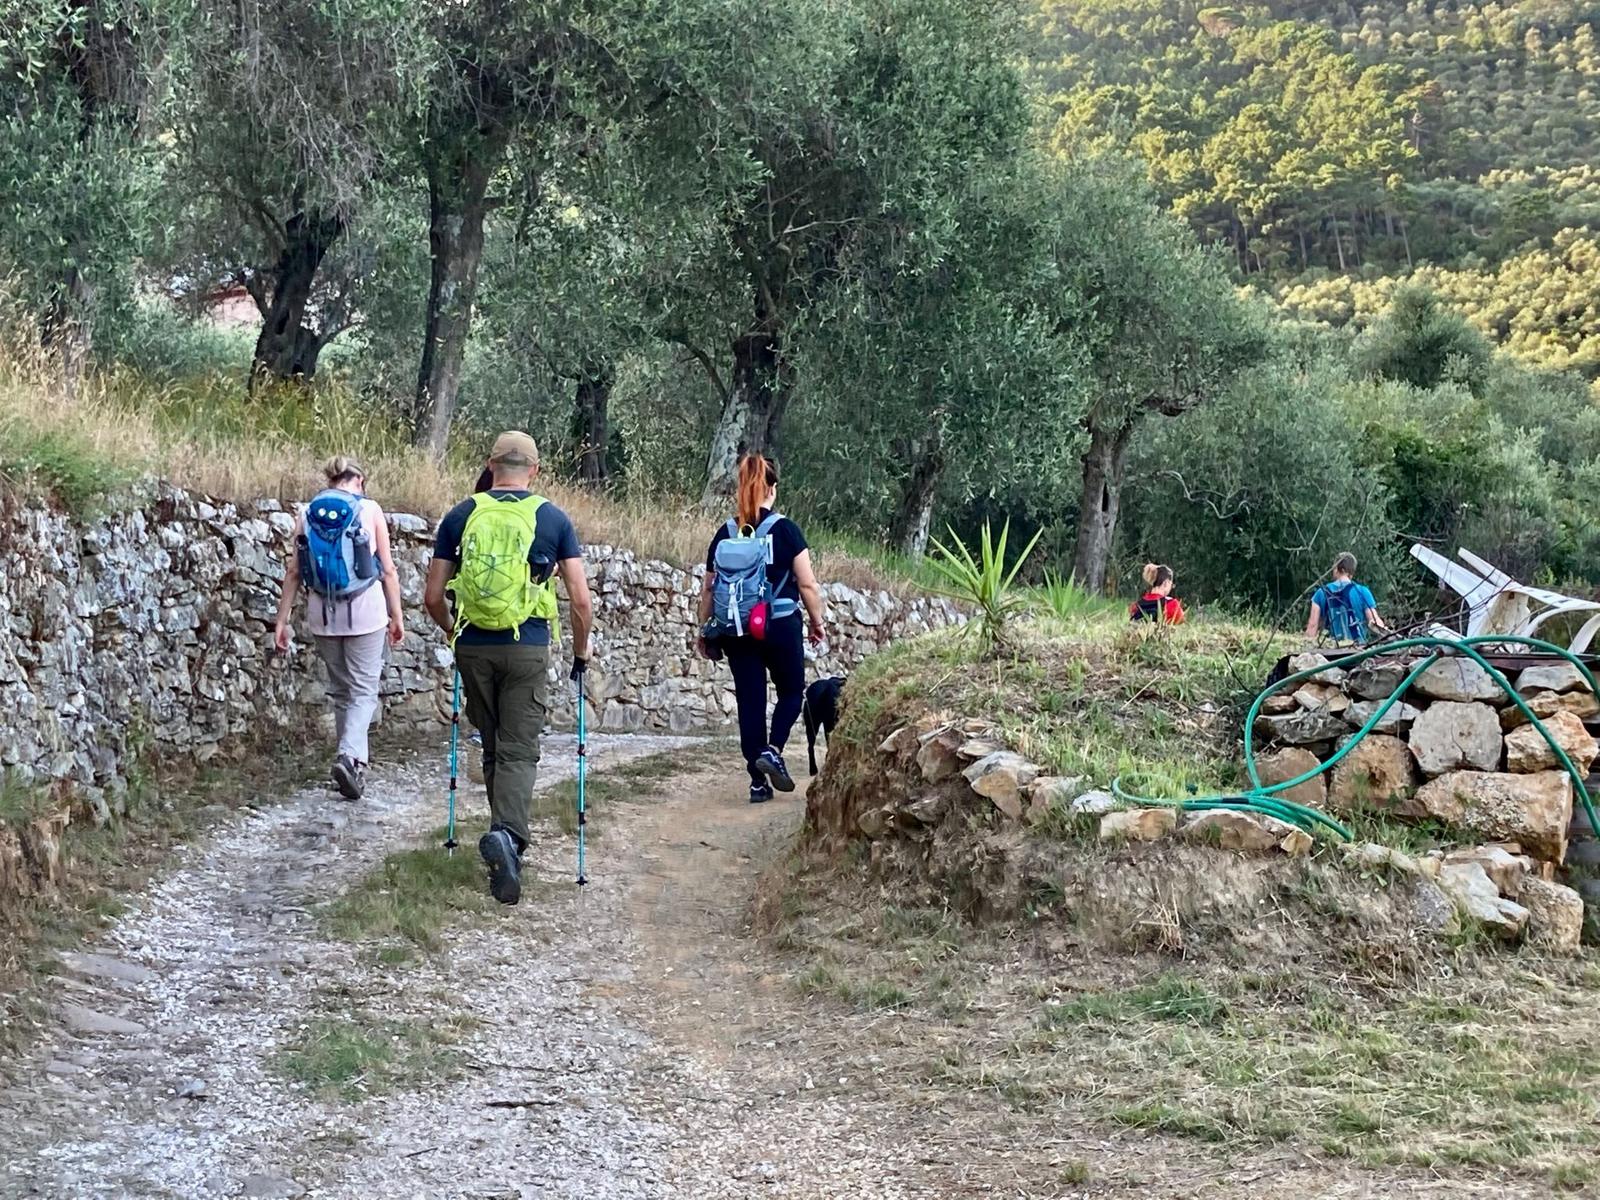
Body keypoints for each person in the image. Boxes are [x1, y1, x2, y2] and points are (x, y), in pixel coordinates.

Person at [424, 431, 593, 906]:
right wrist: (582, 652)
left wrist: (455, 629)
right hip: (528, 645)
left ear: (490, 465)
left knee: (495, 745)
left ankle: (504, 837)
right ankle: (510, 840)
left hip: (473, 644)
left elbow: (433, 597)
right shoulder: (552, 518)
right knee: (520, 750)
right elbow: (580, 600)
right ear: (534, 471)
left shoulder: (461, 516)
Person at [696, 454, 826, 803]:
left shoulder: (725, 532)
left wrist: (703, 629)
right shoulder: (786, 530)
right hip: (780, 624)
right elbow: (808, 585)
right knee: (791, 691)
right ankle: (773, 750)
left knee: (750, 703)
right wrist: (817, 622)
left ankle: (757, 783)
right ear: (772, 488)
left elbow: (709, 588)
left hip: (736, 629)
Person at [274, 456, 406, 800]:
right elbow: (388, 571)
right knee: (363, 690)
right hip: (366, 610)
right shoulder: (370, 510)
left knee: (343, 691)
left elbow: (294, 571)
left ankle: (354, 769)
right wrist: (397, 615)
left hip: (322, 613)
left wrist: (282, 620)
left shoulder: (306, 513)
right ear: (359, 480)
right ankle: (348, 756)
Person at [1306, 552, 1388, 645]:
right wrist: (1387, 635)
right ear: (1351, 572)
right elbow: (1374, 621)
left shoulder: (1321, 593)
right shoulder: (1362, 592)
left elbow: (1312, 625)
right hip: (1358, 650)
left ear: (1336, 569)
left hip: (1331, 650)